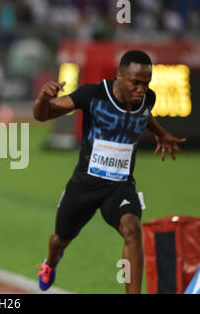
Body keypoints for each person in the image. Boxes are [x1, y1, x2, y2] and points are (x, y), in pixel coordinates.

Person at [33, 50, 186, 294]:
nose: (141, 89)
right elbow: (43, 115)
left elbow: (144, 116)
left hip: (120, 186)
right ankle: (51, 262)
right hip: (85, 184)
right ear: (119, 76)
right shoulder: (92, 94)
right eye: (135, 83)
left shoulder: (148, 99)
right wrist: (43, 99)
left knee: (132, 231)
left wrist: (160, 132)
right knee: (59, 239)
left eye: (146, 84)